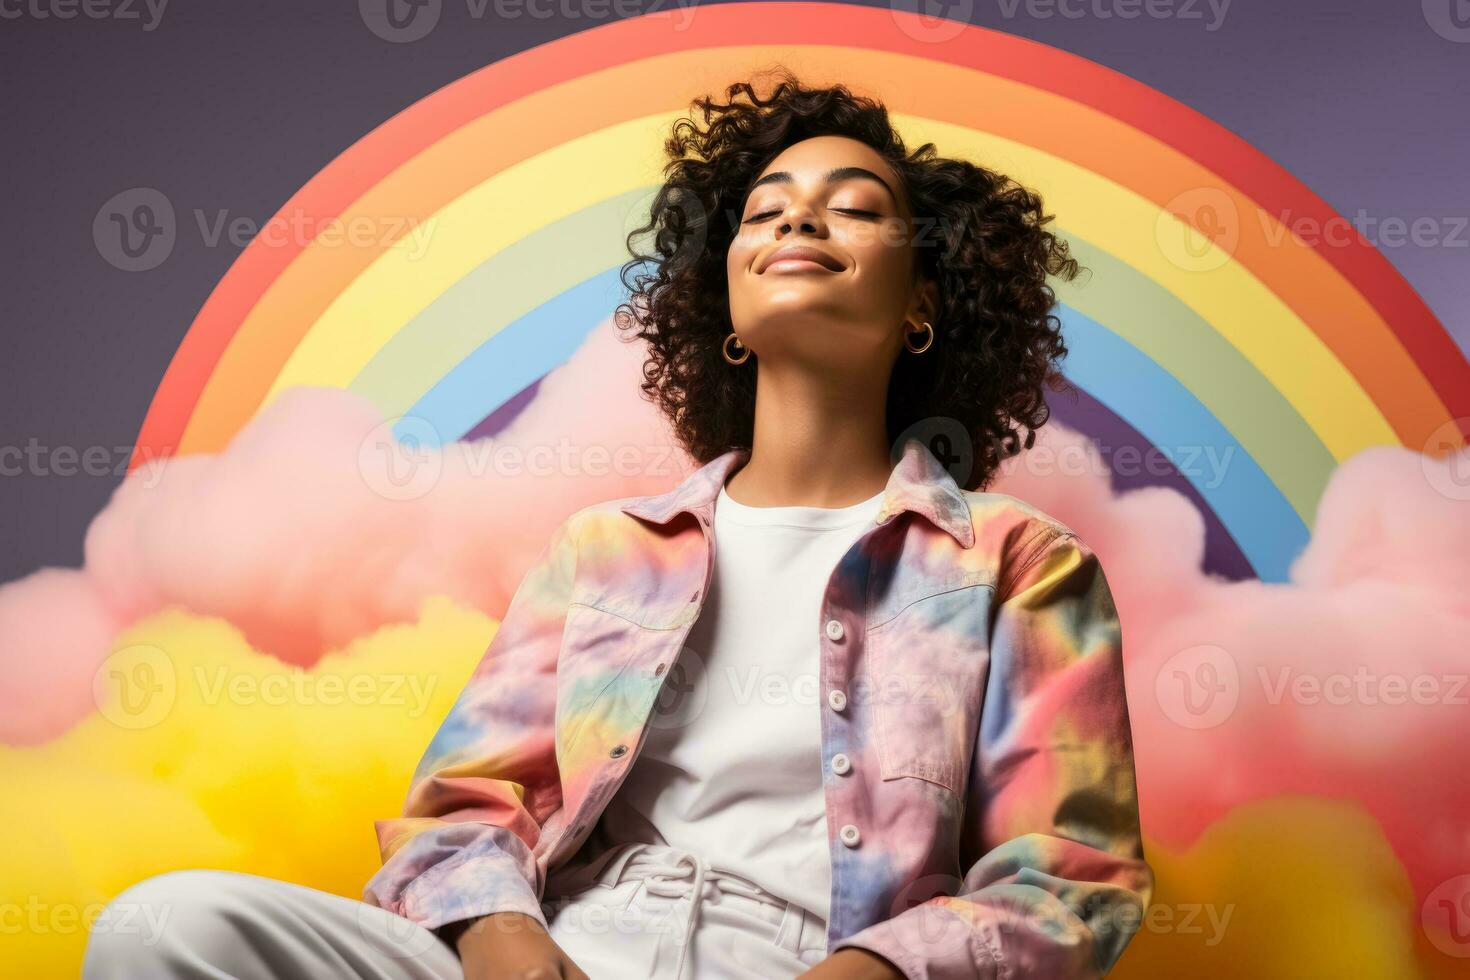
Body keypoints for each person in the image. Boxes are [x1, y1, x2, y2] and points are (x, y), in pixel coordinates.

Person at [82, 70, 1152, 980]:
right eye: (765, 206)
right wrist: (502, 928)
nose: (797, 217)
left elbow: (1070, 876)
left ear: (923, 301)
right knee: (165, 927)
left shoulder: (1018, 562)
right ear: (724, 303)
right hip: (564, 942)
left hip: (795, 958)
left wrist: (870, 968)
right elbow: (466, 800)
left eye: (857, 205)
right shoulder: (607, 550)